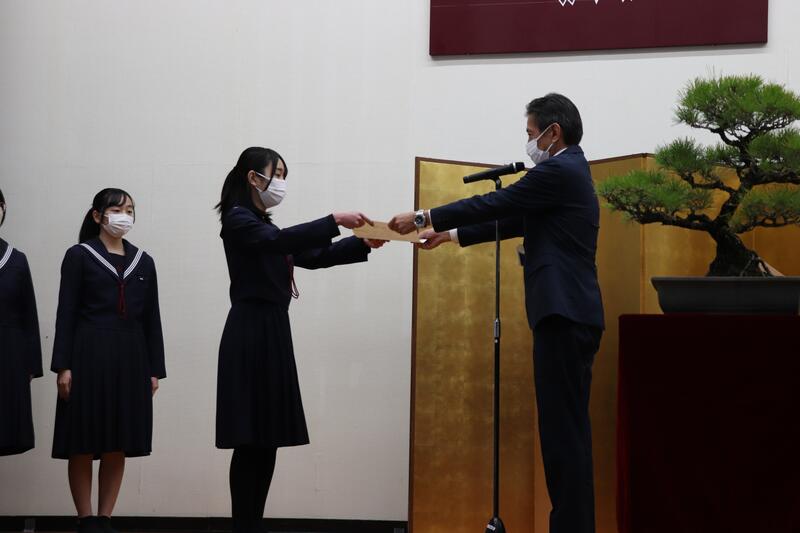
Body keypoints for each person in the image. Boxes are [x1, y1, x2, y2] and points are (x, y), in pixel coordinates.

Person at [389, 93, 605, 533]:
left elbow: (494, 204)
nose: (529, 142)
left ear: (553, 132)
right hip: (571, 315)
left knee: (563, 438)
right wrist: (450, 235)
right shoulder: (570, 172)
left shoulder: (558, 170)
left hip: (563, 315)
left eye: (531, 133)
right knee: (566, 435)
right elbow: (513, 222)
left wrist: (424, 216)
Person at [215, 147, 385, 533]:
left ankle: (252, 524)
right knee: (249, 438)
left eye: (283, 175)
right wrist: (334, 220)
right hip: (250, 332)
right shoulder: (238, 220)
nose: (281, 182)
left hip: (273, 330)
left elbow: (314, 255)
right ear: (253, 177)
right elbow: (282, 242)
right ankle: (244, 525)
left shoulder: (265, 227)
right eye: (276, 173)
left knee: (267, 437)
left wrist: (363, 242)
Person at [52, 188, 165, 533]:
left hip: (131, 358)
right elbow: (66, 313)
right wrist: (63, 366)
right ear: (98, 215)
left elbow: (152, 319)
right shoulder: (79, 255)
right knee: (83, 440)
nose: (124, 216)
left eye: (129, 210)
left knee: (119, 440)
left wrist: (154, 370)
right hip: (88, 354)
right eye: (116, 209)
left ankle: (105, 518)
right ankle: (85, 519)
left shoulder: (144, 261)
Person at [0, 188, 43, 457]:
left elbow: (29, 315)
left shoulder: (16, 259)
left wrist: (31, 365)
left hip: (9, 355)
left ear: (3, 207)